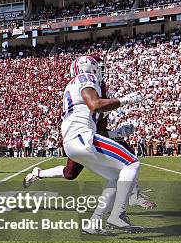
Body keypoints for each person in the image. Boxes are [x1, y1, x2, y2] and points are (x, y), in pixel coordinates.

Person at [58, 56, 145, 233]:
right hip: (82, 137)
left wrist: (114, 133)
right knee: (132, 163)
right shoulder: (86, 78)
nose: (101, 71)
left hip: (73, 142)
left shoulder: (71, 85)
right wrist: (126, 100)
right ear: (90, 67)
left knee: (116, 176)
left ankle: (94, 223)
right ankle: (117, 215)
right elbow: (95, 105)